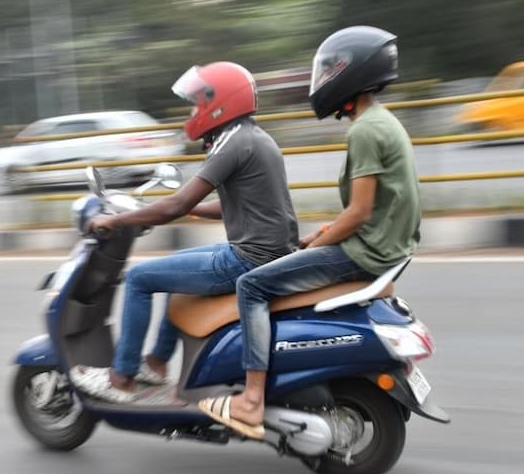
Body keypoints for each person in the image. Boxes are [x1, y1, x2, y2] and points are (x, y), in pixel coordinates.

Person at [197, 26, 422, 439]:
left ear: (351, 74)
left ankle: (251, 399)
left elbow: (358, 212)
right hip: (385, 247)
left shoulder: (365, 130)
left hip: (366, 253)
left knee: (251, 285)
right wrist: (321, 235)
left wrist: (321, 241)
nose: (323, 81)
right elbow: (374, 208)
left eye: (330, 71)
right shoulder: (383, 122)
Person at [69, 61, 299, 403]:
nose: (194, 111)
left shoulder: (233, 143)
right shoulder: (255, 137)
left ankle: (121, 379)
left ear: (218, 102)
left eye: (198, 103)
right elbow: (232, 206)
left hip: (248, 260)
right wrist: (188, 208)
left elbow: (174, 205)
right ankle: (157, 363)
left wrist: (114, 221)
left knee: (139, 279)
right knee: (175, 267)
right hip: (268, 254)